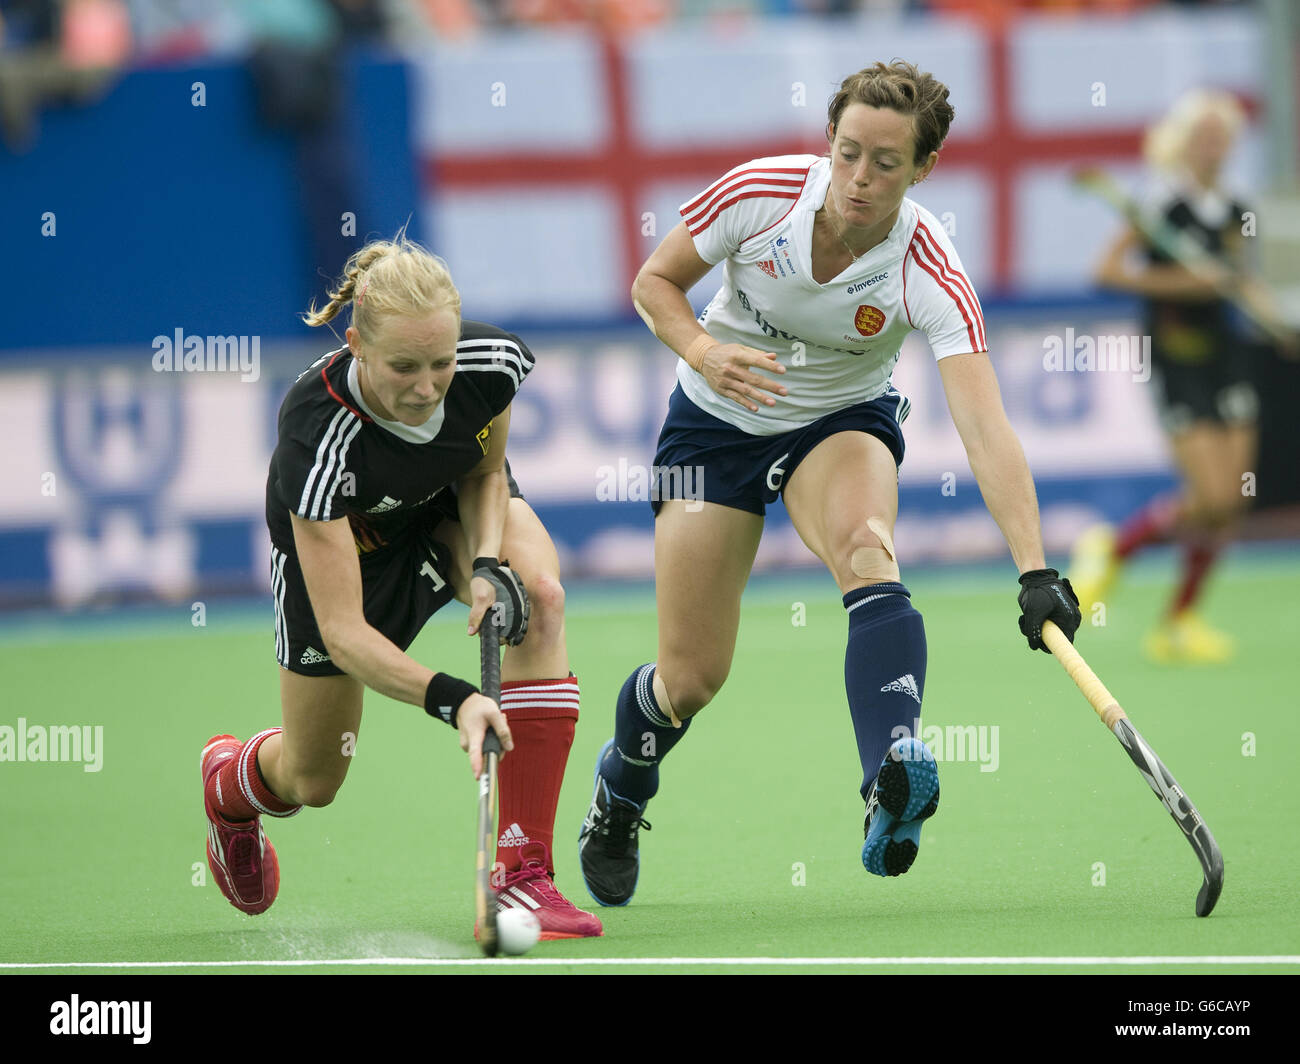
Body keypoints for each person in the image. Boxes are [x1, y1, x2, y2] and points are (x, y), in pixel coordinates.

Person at [578, 60, 1081, 906]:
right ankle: (622, 789)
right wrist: (704, 352)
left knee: (866, 547)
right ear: (829, 142)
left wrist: (1036, 569)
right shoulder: (759, 192)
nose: (860, 179)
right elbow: (652, 284)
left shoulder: (927, 264)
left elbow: (985, 426)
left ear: (923, 169)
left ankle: (888, 778)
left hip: (838, 420)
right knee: (691, 677)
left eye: (887, 163)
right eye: (849, 153)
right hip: (714, 419)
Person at [200, 234, 601, 939]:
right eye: (404, 367)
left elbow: (483, 471)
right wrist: (458, 699)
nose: (425, 387)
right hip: (353, 558)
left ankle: (524, 874)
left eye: (440, 363)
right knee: (314, 780)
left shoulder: (491, 366)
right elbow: (345, 632)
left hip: (445, 509)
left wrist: (483, 565)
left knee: (536, 599)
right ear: (355, 343)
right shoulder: (316, 434)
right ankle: (231, 785)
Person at [1073, 89, 1270, 663]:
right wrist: (1183, 285)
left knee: (1230, 502)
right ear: (1184, 142)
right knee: (1208, 494)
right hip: (1176, 357)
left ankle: (1179, 621)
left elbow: (1239, 277)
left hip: (1227, 357)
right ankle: (1114, 548)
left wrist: (1273, 317)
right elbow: (1107, 271)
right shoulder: (1159, 205)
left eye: (1222, 137)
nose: (1213, 147)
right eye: (1203, 136)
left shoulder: (1237, 207)